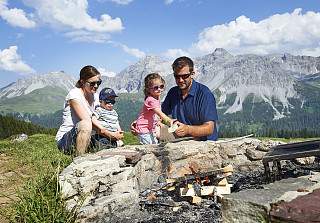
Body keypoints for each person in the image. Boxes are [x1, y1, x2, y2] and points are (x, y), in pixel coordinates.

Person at [55, 65, 124, 155]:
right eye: (92, 83)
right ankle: (79, 161)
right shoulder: (74, 95)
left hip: (89, 138)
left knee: (111, 145)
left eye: (98, 83)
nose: (96, 86)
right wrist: (110, 135)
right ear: (82, 82)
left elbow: (104, 113)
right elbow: (89, 121)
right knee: (86, 123)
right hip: (66, 141)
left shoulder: (95, 96)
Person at [161, 56, 218, 141]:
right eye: (177, 76)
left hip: (204, 144)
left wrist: (188, 129)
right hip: (182, 140)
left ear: (192, 74)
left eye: (184, 76)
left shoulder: (204, 94)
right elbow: (161, 114)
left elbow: (209, 128)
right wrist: (140, 124)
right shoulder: (173, 92)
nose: (180, 80)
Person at [135, 73, 173, 144]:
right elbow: (159, 112)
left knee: (154, 144)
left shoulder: (156, 97)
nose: (159, 89)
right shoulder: (150, 100)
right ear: (148, 89)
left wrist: (158, 121)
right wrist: (169, 121)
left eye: (161, 86)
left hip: (151, 127)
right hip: (144, 127)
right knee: (149, 146)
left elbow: (155, 114)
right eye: (156, 87)